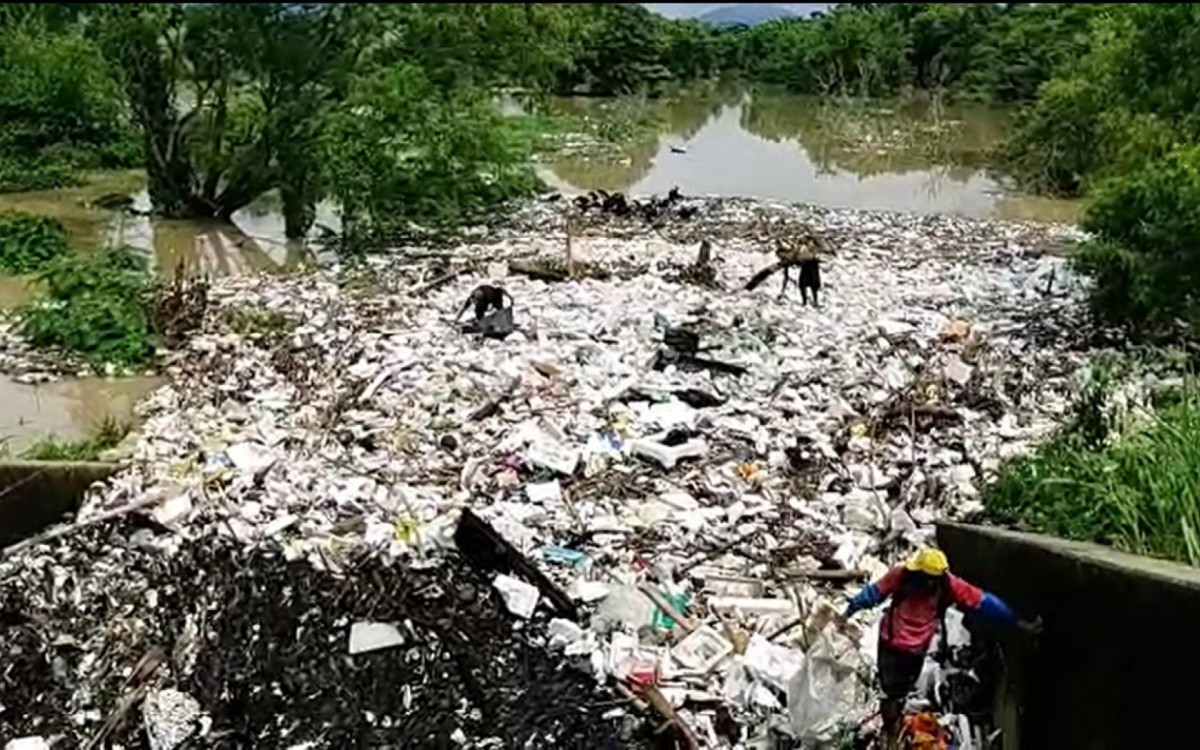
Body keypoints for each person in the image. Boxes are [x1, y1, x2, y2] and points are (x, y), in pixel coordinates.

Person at [843, 547, 1041, 747]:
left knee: (902, 690)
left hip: (916, 650)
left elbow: (983, 602)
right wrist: (850, 609)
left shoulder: (947, 585)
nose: (924, 582)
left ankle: (894, 722)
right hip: (891, 644)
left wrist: (1017, 622)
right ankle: (891, 731)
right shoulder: (902, 576)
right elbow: (874, 592)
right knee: (890, 692)